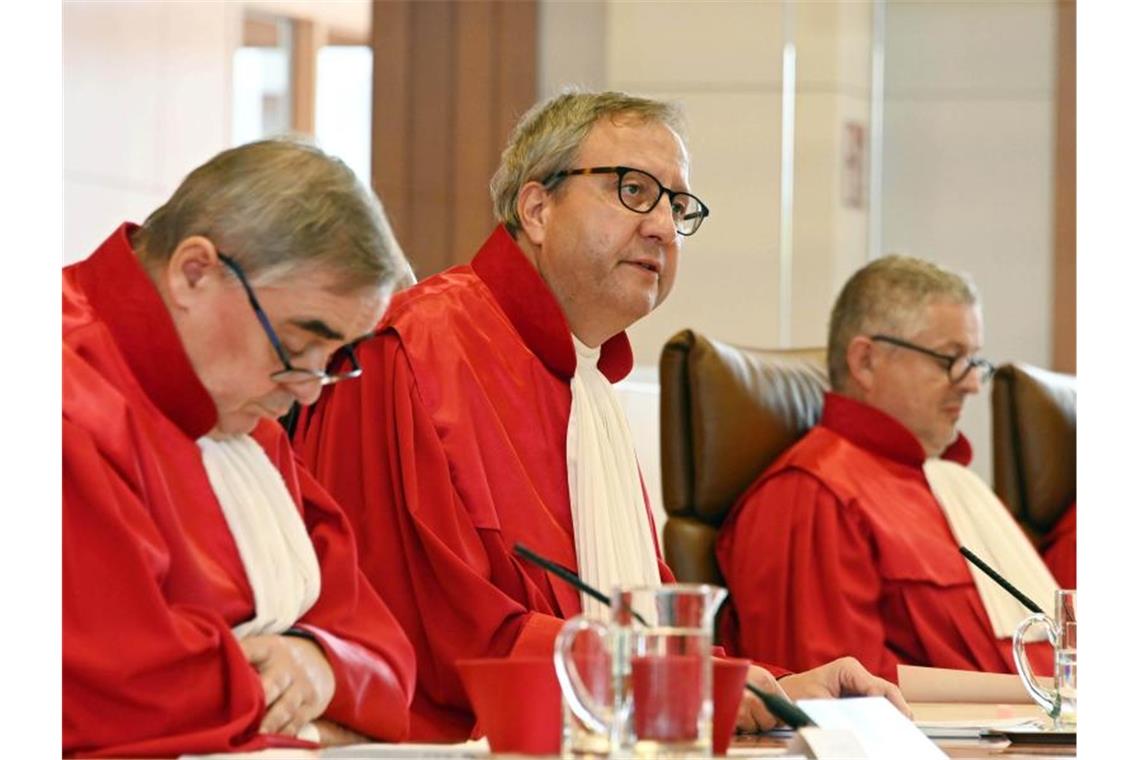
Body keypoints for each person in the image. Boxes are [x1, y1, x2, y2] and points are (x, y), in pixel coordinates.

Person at [295, 90, 907, 741]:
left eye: (677, 205)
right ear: (537, 208)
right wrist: (681, 681)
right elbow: (427, 639)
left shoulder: (587, 384)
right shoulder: (413, 350)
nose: (665, 227)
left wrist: (771, 685)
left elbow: (647, 632)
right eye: (635, 190)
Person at [63, 139, 417, 757]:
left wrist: (319, 664)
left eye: (331, 363)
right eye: (295, 344)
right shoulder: (63, 397)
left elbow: (382, 649)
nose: (308, 393)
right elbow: (123, 699)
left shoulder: (244, 415)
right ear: (193, 272)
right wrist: (316, 721)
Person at [717, 255, 1058, 681]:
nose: (972, 383)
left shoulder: (952, 484)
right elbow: (836, 705)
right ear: (865, 361)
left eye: (974, 361)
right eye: (950, 359)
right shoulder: (814, 495)